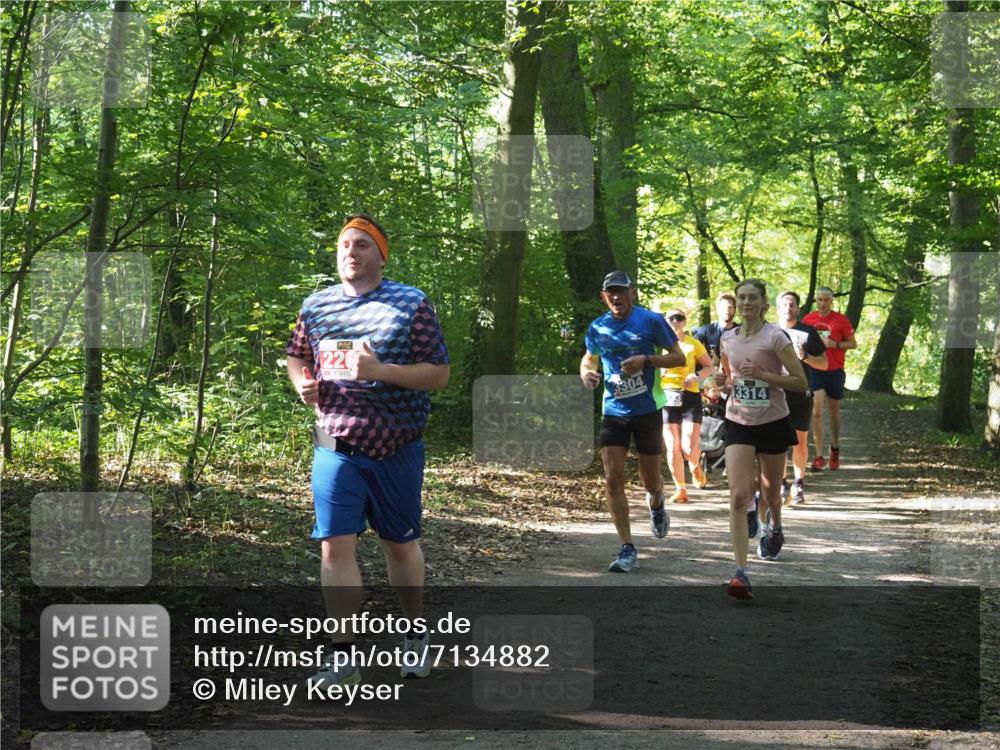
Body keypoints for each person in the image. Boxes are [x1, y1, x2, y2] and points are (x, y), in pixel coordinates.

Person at [286, 214, 450, 686]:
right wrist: (303, 384)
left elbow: (438, 374)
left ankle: (415, 636)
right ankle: (343, 657)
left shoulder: (411, 303)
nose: (350, 253)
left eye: (361, 245)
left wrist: (381, 370)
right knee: (334, 548)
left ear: (381, 253)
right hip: (335, 444)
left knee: (398, 546)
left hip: (396, 445)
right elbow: (297, 354)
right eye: (343, 246)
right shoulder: (316, 306)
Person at [581, 271, 685, 573]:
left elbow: (678, 357)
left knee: (650, 481)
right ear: (604, 297)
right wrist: (586, 373)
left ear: (632, 293)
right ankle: (627, 547)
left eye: (621, 291)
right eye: (611, 292)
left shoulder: (651, 321)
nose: (616, 297)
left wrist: (646, 360)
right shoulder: (597, 327)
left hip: (647, 410)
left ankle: (656, 503)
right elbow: (589, 358)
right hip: (613, 410)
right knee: (613, 477)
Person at [716, 279, 808, 599]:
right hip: (738, 420)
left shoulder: (775, 337)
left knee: (770, 493)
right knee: (739, 496)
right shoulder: (726, 338)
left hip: (772, 419)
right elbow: (729, 377)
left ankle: (775, 526)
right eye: (741, 297)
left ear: (763, 304)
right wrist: (721, 381)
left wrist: (765, 377)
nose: (745, 303)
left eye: (752, 298)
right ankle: (740, 572)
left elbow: (800, 382)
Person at [776, 291, 828, 505]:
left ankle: (798, 484)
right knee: (777, 443)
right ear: (778, 308)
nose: (789, 308)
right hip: (775, 393)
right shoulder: (769, 331)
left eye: (793, 304)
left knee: (800, 441)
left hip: (801, 393)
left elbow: (824, 364)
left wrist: (805, 357)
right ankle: (781, 485)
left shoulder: (809, 333)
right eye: (785, 304)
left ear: (798, 308)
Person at [660, 308, 714, 502]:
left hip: (689, 396)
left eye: (679, 318)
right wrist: (658, 374)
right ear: (666, 321)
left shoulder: (693, 344)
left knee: (689, 447)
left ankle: (695, 466)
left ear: (684, 321)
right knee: (672, 446)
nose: (675, 321)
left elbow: (709, 366)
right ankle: (680, 489)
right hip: (666, 396)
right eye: (671, 318)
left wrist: (696, 376)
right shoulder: (659, 345)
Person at [802, 287, 856, 471]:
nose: (823, 303)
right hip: (815, 369)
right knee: (816, 411)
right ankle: (818, 456)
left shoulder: (840, 320)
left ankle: (835, 447)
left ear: (831, 301)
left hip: (835, 370)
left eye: (826, 300)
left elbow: (853, 343)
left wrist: (836, 344)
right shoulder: (808, 320)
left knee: (834, 413)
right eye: (820, 299)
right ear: (816, 300)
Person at [694, 292, 737, 365]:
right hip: (708, 373)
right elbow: (691, 354)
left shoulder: (740, 331)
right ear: (717, 309)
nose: (727, 310)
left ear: (735, 310)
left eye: (730, 307)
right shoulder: (704, 331)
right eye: (723, 307)